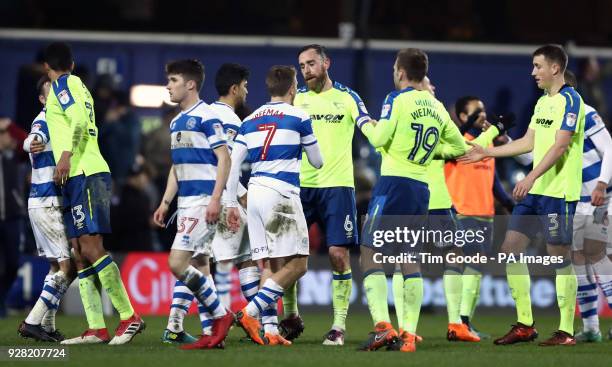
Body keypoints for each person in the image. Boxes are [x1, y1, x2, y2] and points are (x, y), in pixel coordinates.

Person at [461, 44, 585, 346]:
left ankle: (566, 330)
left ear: (555, 68)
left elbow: (560, 146)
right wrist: (488, 152)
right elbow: (529, 141)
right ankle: (525, 324)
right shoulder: (543, 102)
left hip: (557, 193)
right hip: (535, 193)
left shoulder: (571, 100)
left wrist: (530, 177)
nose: (533, 72)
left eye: (538, 66)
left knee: (559, 259)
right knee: (510, 250)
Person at [40, 42, 143, 346]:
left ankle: (128, 316)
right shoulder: (77, 84)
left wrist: (66, 155)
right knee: (78, 250)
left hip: (84, 171)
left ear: (48, 66)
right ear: (71, 63)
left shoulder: (63, 85)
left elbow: (80, 122)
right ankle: (96, 328)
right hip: (75, 176)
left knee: (91, 245)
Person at [280, 44, 372, 345]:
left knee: (337, 255)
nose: (306, 70)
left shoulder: (347, 97)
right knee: (290, 256)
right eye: (302, 65)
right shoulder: (296, 99)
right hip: (300, 187)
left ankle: (338, 326)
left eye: (311, 63)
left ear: (326, 63)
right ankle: (291, 316)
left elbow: (368, 127)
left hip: (338, 187)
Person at [226, 65, 323, 346]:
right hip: (280, 193)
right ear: (293, 88)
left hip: (254, 194)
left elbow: (233, 165)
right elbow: (317, 161)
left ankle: (270, 330)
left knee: (269, 264)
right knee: (299, 265)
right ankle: (249, 313)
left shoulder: (250, 119)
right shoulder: (299, 116)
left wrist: (232, 202)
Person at [152, 59, 233, 350]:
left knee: (177, 263)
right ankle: (212, 333)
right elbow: (177, 167)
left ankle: (222, 316)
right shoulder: (175, 121)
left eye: (173, 80)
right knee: (201, 265)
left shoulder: (207, 116)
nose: (168, 85)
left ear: (190, 84)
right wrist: (165, 203)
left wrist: (215, 200)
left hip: (203, 202)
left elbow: (225, 158)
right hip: (185, 203)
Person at [443, 95, 515, 338]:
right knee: (468, 266)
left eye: (483, 110)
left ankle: (465, 322)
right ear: (463, 117)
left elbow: (492, 180)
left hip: (487, 216)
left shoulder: (487, 147)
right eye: (476, 112)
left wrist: (508, 203)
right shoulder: (456, 142)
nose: (482, 115)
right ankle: (459, 322)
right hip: (462, 213)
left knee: (475, 270)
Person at [18, 76, 76, 342]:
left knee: (56, 267)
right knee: (68, 268)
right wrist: (30, 143)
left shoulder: (61, 121)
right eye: (50, 94)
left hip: (44, 202)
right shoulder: (44, 120)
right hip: (47, 202)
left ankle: (47, 325)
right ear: (42, 100)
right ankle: (32, 321)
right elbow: (32, 139)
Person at [563, 70, 612, 343]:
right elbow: (533, 157)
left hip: (601, 196)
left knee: (598, 256)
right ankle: (591, 328)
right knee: (579, 261)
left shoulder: (586, 112)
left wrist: (602, 185)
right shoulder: (550, 118)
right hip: (577, 201)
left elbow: (610, 149)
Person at [208, 63, 260, 313]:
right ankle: (225, 320)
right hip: (221, 199)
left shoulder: (204, 113)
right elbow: (226, 164)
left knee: (238, 256)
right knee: (230, 261)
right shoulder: (230, 120)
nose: (247, 92)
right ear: (234, 89)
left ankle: (177, 321)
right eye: (245, 87)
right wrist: (235, 199)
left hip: (203, 195)